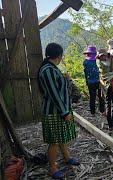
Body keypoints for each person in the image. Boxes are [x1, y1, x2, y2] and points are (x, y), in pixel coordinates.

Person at [37, 43, 80, 179]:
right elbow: (54, 94)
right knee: (54, 141)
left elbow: (60, 89)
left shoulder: (52, 69)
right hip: (54, 112)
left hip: (60, 110)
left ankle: (67, 158)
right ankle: (52, 168)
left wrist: (66, 80)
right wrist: (65, 112)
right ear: (59, 55)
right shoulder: (47, 70)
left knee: (60, 136)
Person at [83, 45, 105, 116]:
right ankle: (102, 111)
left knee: (92, 97)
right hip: (98, 82)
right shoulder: (97, 61)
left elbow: (85, 73)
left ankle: (92, 112)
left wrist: (87, 81)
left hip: (90, 82)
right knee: (101, 96)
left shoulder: (85, 62)